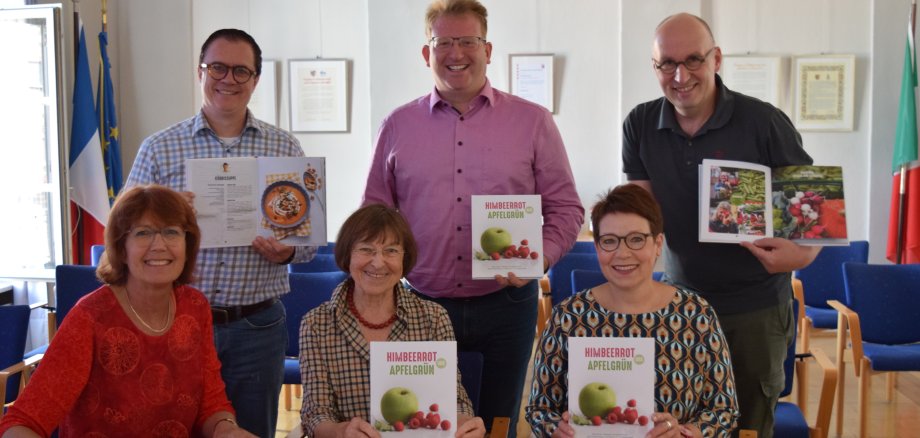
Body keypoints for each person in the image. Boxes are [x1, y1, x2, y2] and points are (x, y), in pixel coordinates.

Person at [362, 1, 584, 433]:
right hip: (419, 307)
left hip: (507, 306)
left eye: (467, 41)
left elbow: (567, 208)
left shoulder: (533, 122)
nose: (456, 52)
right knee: (423, 427)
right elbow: (373, 216)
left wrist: (538, 259)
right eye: (443, 42)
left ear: (488, 49)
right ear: (427, 53)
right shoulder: (396, 125)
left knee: (498, 423)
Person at [621, 13, 820, 437]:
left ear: (716, 59)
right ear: (654, 68)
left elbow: (813, 207)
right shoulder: (639, 124)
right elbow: (642, 211)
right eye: (666, 64)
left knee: (748, 424)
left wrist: (798, 255)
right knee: (680, 424)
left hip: (756, 308)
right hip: (679, 305)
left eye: (693, 59)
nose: (680, 75)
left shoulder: (764, 120)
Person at [125, 28, 316, 436]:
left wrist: (286, 252)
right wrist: (165, 214)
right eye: (217, 67)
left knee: (251, 430)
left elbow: (309, 244)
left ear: (255, 80)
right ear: (200, 72)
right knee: (172, 427)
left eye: (241, 70)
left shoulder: (285, 148)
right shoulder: (159, 148)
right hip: (174, 321)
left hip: (258, 327)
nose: (228, 79)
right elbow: (121, 233)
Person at [0, 185, 256, 438]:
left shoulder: (195, 307)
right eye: (143, 233)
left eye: (171, 232)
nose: (159, 245)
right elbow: (24, 422)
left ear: (187, 244)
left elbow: (211, 402)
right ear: (121, 248)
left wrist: (227, 429)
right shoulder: (90, 317)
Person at [525, 184, 738, 438]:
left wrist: (686, 433)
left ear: (658, 244)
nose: (622, 253)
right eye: (609, 241)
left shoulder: (697, 316)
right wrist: (555, 430)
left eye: (636, 239)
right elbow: (539, 409)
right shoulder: (567, 317)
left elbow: (724, 410)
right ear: (597, 247)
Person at [299, 204, 486, 438]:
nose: (378, 263)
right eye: (366, 249)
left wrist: (464, 422)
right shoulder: (316, 324)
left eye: (391, 251)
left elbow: (455, 399)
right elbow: (317, 413)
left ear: (404, 259)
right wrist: (341, 431)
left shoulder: (434, 317)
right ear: (347, 255)